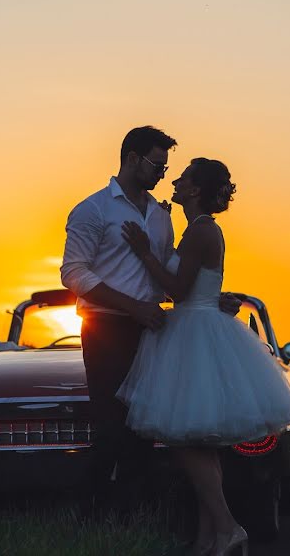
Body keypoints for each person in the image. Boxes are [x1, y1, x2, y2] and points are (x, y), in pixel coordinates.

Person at [117, 158, 290, 555]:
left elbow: (177, 291)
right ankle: (210, 539)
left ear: (195, 190)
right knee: (200, 445)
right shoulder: (199, 230)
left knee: (183, 443)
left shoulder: (202, 231)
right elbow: (195, 285)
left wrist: (145, 251)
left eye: (183, 177)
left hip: (192, 332)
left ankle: (228, 525)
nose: (176, 181)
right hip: (199, 327)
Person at [59, 127, 240, 514]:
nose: (163, 173)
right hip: (107, 328)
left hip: (154, 329)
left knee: (146, 428)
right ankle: (87, 516)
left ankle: (137, 520)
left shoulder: (161, 215)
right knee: (111, 427)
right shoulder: (93, 210)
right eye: (158, 164)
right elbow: (73, 273)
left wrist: (209, 297)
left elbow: (172, 267)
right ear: (132, 158)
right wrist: (132, 307)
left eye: (167, 166)